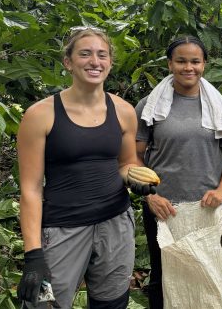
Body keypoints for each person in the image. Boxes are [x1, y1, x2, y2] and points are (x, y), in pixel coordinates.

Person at [16, 27, 145, 308]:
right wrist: (33, 253)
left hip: (115, 223)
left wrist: (136, 179)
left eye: (102, 55)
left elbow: (125, 164)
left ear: (110, 61)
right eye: (84, 54)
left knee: (111, 303)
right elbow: (31, 189)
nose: (94, 62)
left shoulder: (123, 110)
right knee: (45, 305)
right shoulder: (40, 115)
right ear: (68, 62)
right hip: (62, 228)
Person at [135, 36, 222, 308]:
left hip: (205, 206)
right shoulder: (150, 106)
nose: (188, 67)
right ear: (170, 63)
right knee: (163, 275)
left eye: (195, 61)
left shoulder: (220, 105)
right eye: (181, 60)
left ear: (204, 64)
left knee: (207, 272)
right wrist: (150, 196)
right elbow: (134, 157)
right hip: (162, 207)